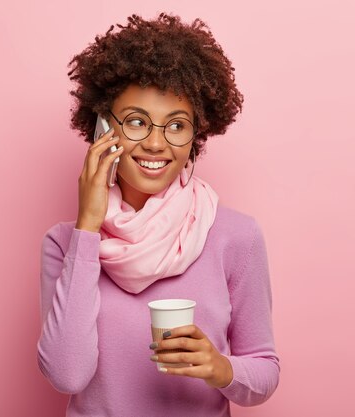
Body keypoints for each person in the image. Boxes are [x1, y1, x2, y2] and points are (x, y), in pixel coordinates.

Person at [37, 13, 280, 417]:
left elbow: (264, 371)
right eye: (136, 122)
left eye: (177, 125)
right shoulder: (65, 243)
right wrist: (88, 228)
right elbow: (67, 374)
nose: (155, 143)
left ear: (196, 135)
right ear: (102, 127)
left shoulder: (237, 237)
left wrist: (221, 369)